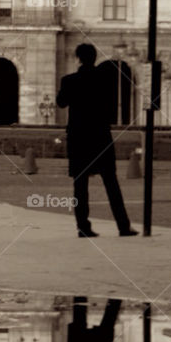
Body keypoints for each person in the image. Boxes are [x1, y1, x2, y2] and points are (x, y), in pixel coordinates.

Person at [56, 43, 137, 237]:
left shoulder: (69, 80)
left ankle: (83, 227)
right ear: (94, 57)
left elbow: (61, 103)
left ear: (78, 58)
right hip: (101, 135)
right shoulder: (106, 78)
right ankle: (123, 226)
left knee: (80, 184)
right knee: (111, 182)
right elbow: (110, 106)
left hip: (78, 138)